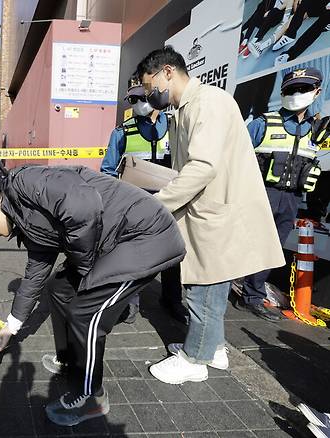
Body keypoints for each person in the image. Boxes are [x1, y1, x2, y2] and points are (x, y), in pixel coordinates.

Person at [0, 165, 186, 426]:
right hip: (113, 242)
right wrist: (9, 329)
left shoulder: (24, 182)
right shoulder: (26, 223)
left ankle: (91, 396)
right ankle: (70, 360)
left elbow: (83, 206)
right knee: (58, 287)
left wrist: (84, 268)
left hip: (144, 235)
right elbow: (34, 278)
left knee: (86, 312)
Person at [135, 47, 284, 384]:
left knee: (202, 291)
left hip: (216, 213)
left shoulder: (207, 103)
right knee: (211, 288)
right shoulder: (186, 107)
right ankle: (213, 347)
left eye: (149, 85)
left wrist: (158, 204)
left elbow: (202, 167)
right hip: (209, 211)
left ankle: (195, 359)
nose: (148, 94)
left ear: (168, 72)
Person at [238, 68, 324, 321]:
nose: (297, 94)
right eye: (291, 90)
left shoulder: (317, 131)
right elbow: (235, 156)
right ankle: (224, 287)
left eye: (304, 89)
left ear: (317, 92)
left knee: (271, 249)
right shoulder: (262, 123)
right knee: (246, 244)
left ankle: (251, 297)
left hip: (291, 199)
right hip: (259, 193)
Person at [100, 75, 187, 325]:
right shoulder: (122, 132)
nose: (139, 102)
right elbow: (107, 171)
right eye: (133, 99)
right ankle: (130, 302)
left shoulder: (174, 127)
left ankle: (172, 300)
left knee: (173, 254)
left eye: (142, 96)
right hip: (136, 206)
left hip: (170, 202)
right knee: (134, 255)